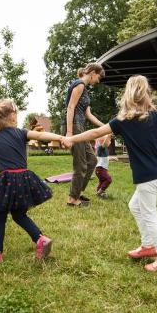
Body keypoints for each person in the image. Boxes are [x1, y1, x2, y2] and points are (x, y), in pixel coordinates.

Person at [66, 75, 157, 272]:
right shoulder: (154, 116)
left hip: (147, 179)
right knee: (134, 205)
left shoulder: (121, 121)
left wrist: (71, 138)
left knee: (150, 216)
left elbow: (95, 133)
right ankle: (147, 246)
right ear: (146, 94)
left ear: (127, 95)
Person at [0, 99, 65, 262]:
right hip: (23, 178)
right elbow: (40, 135)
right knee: (18, 214)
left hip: (5, 180)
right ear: (13, 117)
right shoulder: (21, 133)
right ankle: (40, 239)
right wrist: (61, 137)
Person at [62, 63, 106, 207]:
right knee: (80, 164)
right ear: (92, 72)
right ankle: (72, 199)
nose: (98, 81)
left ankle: (77, 193)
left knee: (92, 160)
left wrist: (105, 127)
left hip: (80, 127)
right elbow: (70, 107)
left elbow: (88, 114)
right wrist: (69, 133)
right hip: (73, 127)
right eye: (98, 78)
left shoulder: (85, 90)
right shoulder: (79, 84)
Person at [94, 134, 117, 199]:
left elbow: (104, 158)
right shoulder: (101, 148)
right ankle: (100, 192)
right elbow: (105, 143)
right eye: (109, 139)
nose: (110, 140)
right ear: (103, 141)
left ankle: (99, 191)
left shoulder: (104, 149)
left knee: (102, 181)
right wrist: (109, 135)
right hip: (100, 169)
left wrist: (112, 158)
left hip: (100, 169)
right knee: (108, 179)